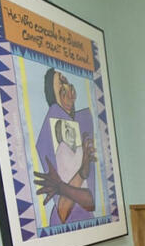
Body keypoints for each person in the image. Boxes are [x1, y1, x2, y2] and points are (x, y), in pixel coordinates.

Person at [33, 67, 97, 223]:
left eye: (66, 82)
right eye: (61, 87)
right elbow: (63, 210)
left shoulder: (84, 126)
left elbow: (90, 202)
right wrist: (76, 178)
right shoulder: (48, 133)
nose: (67, 89)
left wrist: (63, 187)